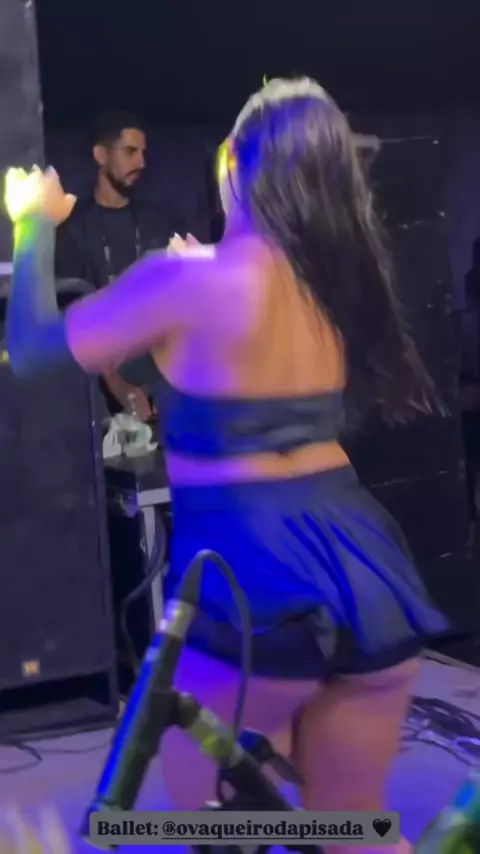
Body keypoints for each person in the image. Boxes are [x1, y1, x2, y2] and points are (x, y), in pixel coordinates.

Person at [5, 78, 449, 854]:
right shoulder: (330, 287)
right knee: (353, 827)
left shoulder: (185, 281)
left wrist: (33, 224)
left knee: (215, 824)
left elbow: (37, 351)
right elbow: (194, 366)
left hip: (251, 575)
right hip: (368, 570)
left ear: (234, 164)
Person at [55, 109, 181, 419]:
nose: (141, 162)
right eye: (130, 151)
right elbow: (75, 317)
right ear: (101, 155)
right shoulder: (74, 228)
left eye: (143, 153)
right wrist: (121, 388)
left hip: (166, 369)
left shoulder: (159, 221)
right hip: (100, 381)